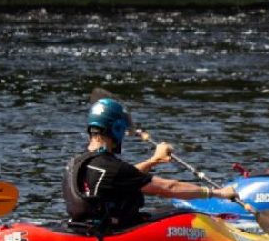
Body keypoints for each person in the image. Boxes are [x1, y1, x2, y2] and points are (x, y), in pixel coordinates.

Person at [63, 97, 237, 230]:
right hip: (112, 231)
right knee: (179, 212)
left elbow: (120, 178)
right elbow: (169, 188)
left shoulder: (75, 162)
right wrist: (218, 193)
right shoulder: (114, 168)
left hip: (83, 226)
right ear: (116, 130)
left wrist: (153, 161)